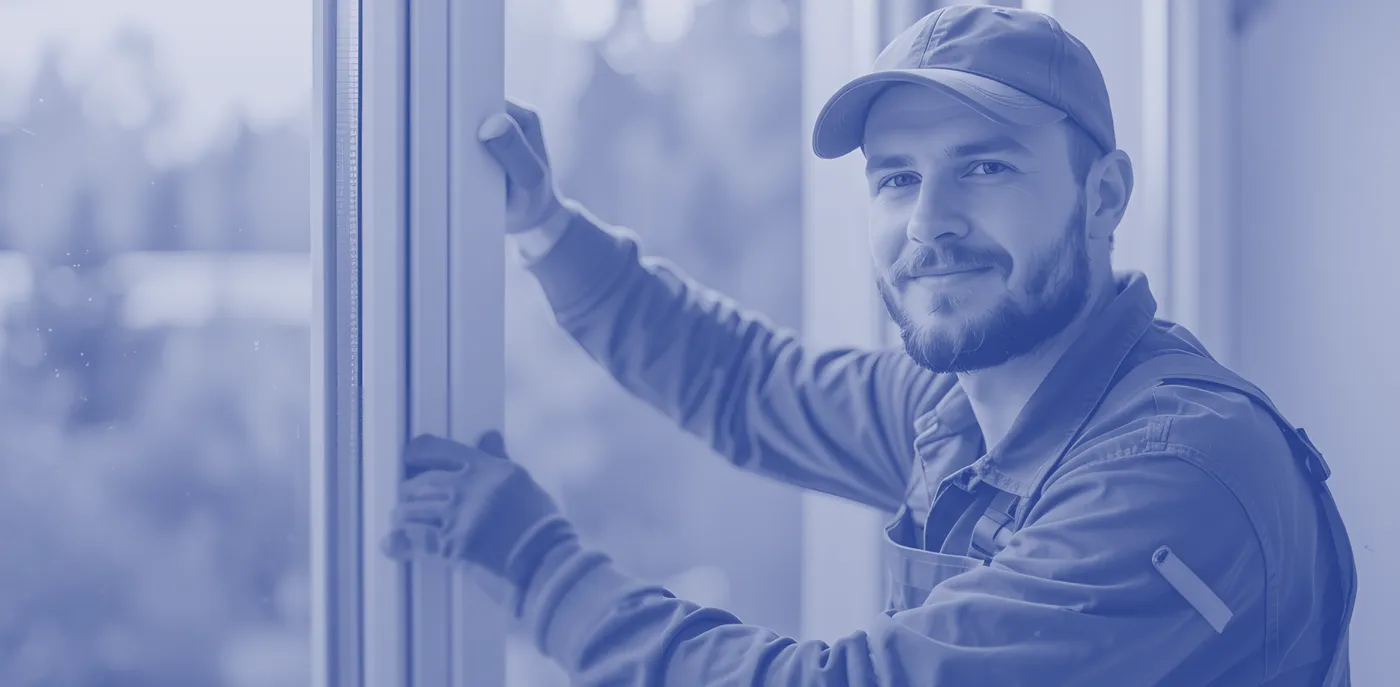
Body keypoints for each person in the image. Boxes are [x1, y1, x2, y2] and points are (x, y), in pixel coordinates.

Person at [381, 5, 1356, 686]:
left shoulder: (1175, 474)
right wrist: (545, 228)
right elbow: (745, 384)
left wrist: (537, 565)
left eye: (982, 167)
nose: (928, 222)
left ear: (1101, 195)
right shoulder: (966, 405)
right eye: (895, 178)